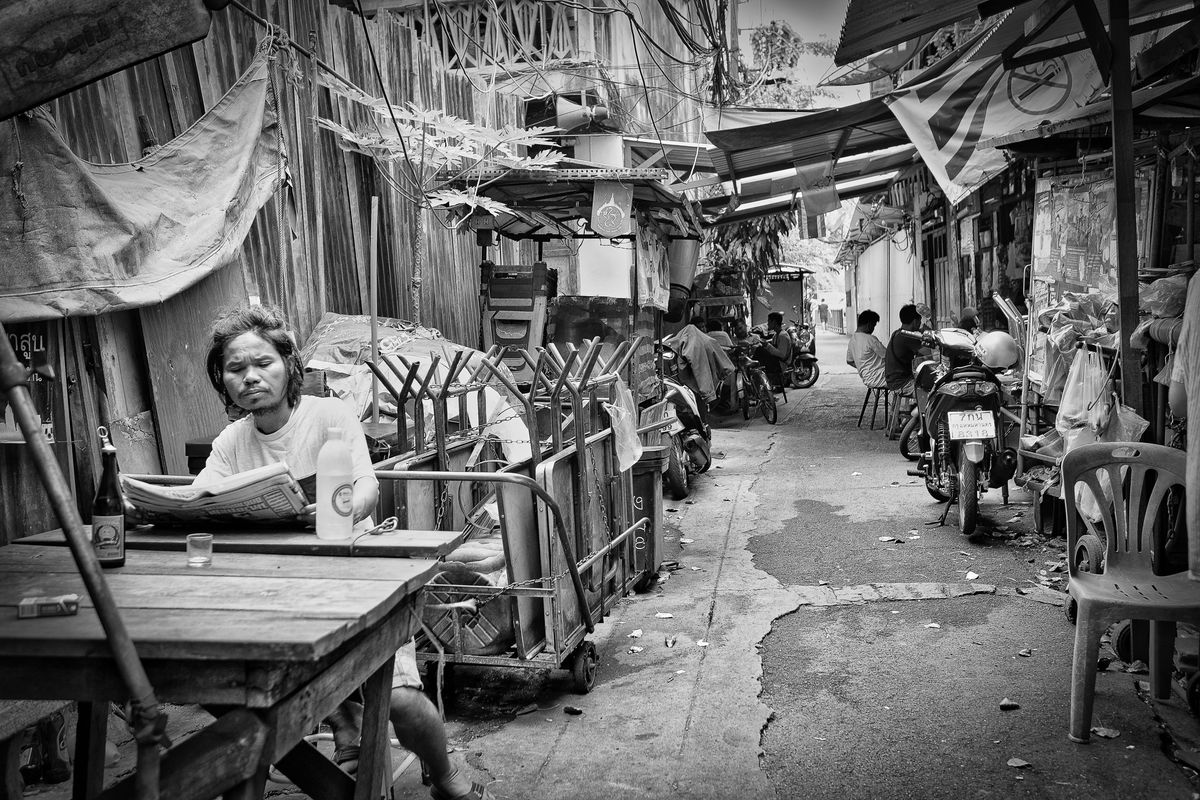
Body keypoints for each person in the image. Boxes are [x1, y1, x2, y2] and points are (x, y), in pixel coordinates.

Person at [195, 304, 491, 800]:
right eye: (235, 368)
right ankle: (342, 732)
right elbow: (202, 499)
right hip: (281, 594)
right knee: (250, 700)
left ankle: (444, 772)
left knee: (399, 698)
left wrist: (337, 510)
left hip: (359, 580)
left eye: (263, 362)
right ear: (222, 380)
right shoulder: (231, 443)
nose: (250, 377)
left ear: (289, 364)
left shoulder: (328, 416)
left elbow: (366, 488)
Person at [884, 304, 928, 397]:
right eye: (920, 320)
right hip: (903, 383)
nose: (920, 323)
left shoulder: (897, 333)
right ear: (915, 321)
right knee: (935, 393)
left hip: (893, 381)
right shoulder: (907, 336)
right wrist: (927, 332)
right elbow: (928, 352)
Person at [845, 310, 887, 389]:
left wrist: (864, 369)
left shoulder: (852, 340)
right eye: (873, 326)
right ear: (869, 324)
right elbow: (888, 356)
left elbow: (849, 361)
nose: (873, 329)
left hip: (867, 379)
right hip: (881, 378)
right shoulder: (870, 339)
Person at [754, 312, 793, 392]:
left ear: (774, 322)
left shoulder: (783, 335)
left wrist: (767, 345)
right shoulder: (776, 335)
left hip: (781, 364)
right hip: (777, 362)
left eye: (769, 321)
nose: (767, 323)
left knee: (759, 351)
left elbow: (782, 354)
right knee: (759, 349)